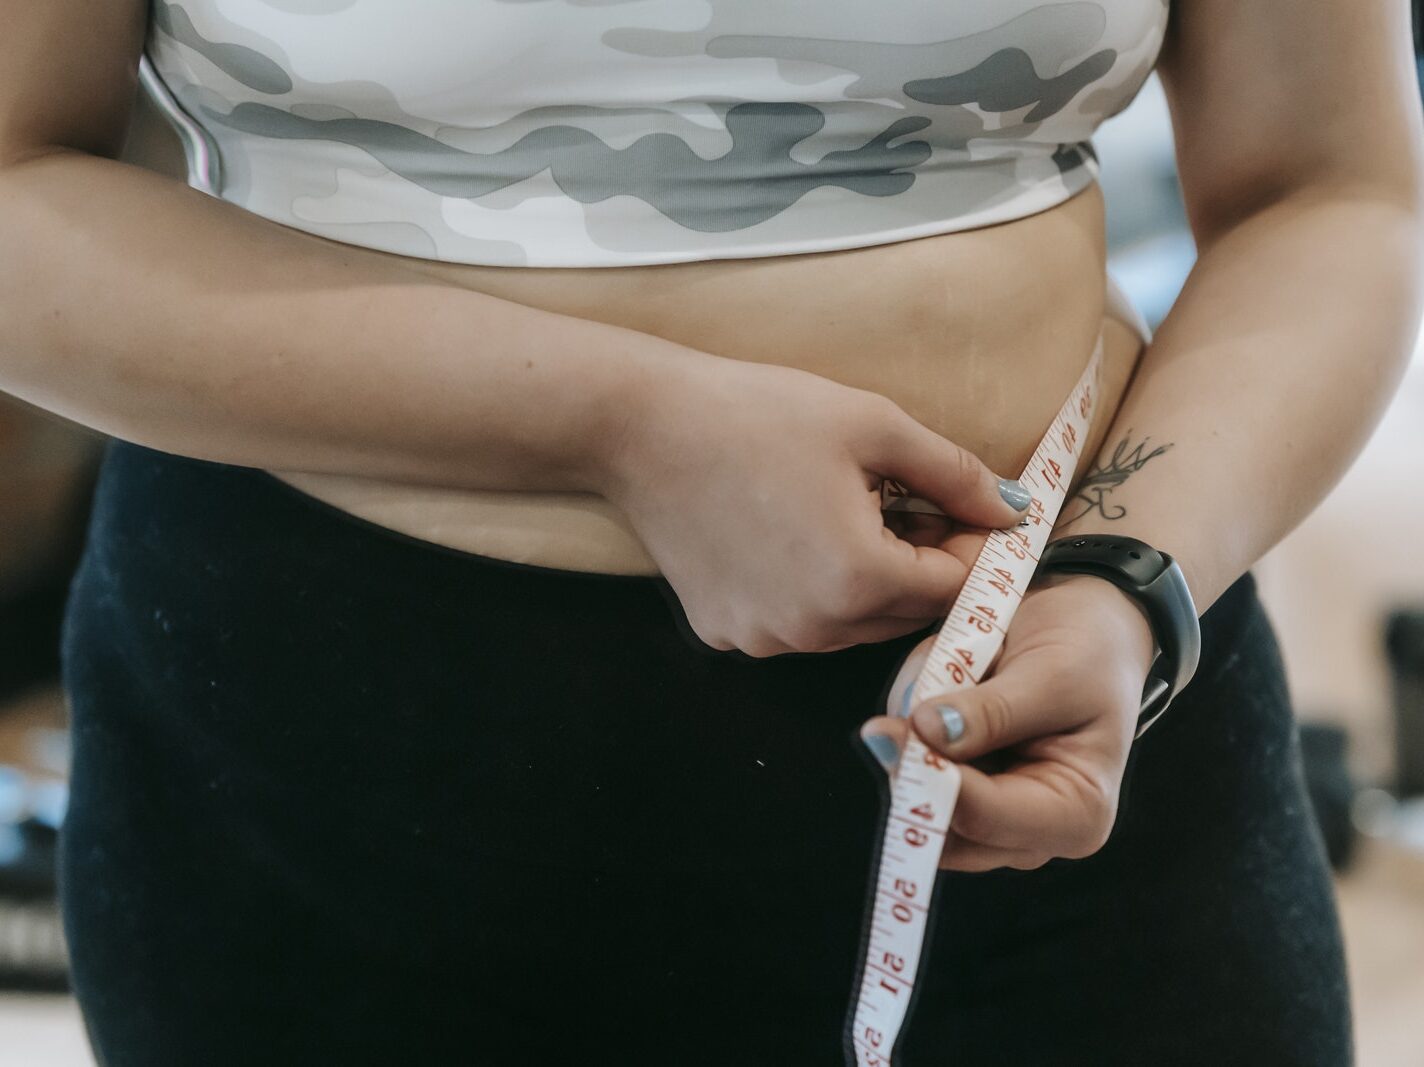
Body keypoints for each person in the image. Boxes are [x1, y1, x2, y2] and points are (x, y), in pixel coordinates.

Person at [1, 1, 1420, 1063]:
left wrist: (1127, 580)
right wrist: (617, 425)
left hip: (1068, 747)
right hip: (335, 780)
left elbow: (1329, 186)